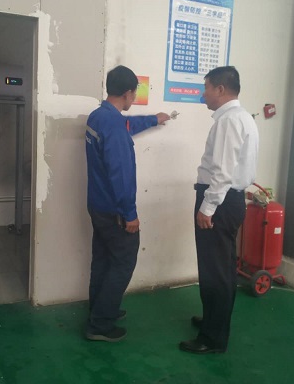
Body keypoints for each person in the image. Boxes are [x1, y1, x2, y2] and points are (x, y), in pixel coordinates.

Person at [85, 65, 170, 342]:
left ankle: (99, 309)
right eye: (135, 94)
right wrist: (129, 214)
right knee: (123, 262)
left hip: (97, 205)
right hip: (115, 210)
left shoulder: (99, 116)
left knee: (103, 259)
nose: (134, 98)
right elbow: (120, 174)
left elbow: (127, 126)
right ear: (128, 93)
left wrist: (154, 119)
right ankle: (100, 325)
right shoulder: (113, 126)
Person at [179, 66, 259, 354]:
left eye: (207, 88)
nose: (204, 95)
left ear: (221, 89)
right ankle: (214, 320)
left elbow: (222, 173)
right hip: (230, 201)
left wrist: (208, 207)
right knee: (221, 268)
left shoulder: (229, 121)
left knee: (216, 271)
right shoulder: (243, 117)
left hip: (220, 202)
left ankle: (212, 338)